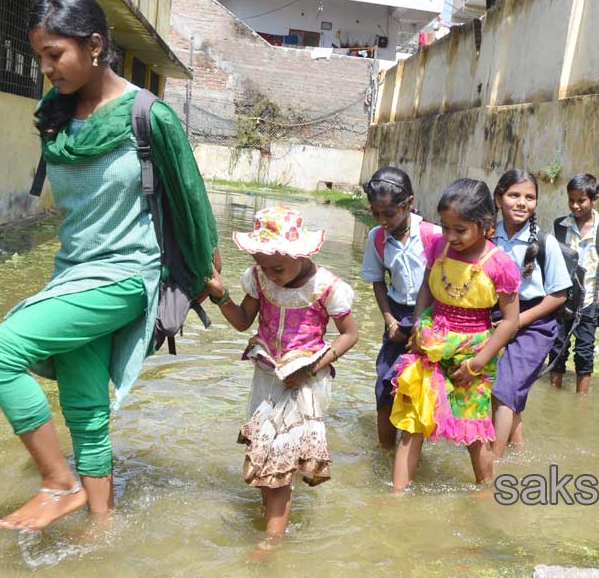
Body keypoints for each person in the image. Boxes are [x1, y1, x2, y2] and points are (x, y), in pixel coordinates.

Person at [0, 0, 217, 531]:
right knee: (86, 412)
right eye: (39, 56)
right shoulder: (55, 116)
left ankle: (59, 483)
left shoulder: (149, 117)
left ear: (95, 46)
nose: (45, 68)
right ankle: (101, 534)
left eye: (54, 55)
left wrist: (202, 277)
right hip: (74, 273)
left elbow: (194, 206)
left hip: (127, 275)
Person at [204, 207, 359, 537]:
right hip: (266, 377)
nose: (270, 275)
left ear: (300, 255)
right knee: (263, 454)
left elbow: (350, 335)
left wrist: (310, 368)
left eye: (277, 268)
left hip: (304, 383)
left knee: (277, 461)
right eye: (262, 266)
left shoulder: (327, 286)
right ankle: (272, 524)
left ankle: (270, 543)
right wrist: (220, 297)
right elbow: (243, 322)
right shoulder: (260, 279)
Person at [390, 179, 520, 493]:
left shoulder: (500, 266)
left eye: (459, 230)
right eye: (445, 227)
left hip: (473, 355)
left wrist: (477, 364)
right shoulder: (437, 247)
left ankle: (486, 495)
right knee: (413, 424)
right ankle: (395, 498)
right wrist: (420, 327)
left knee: (473, 433)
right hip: (430, 347)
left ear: (485, 225)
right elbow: (425, 288)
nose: (450, 236)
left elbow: (510, 321)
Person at [490, 169, 572, 455]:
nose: (522, 202)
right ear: (499, 198)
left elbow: (559, 294)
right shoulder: (488, 238)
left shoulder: (545, 243)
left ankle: (494, 466)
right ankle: (520, 456)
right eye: (514, 195)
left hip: (535, 323)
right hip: (496, 319)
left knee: (502, 391)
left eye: (530, 197)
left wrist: (519, 321)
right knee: (510, 392)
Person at [360, 167, 440, 448]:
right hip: (396, 316)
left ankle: (413, 455)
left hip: (432, 318)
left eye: (389, 214)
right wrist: (389, 320)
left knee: (423, 390)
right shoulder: (377, 238)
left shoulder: (434, 236)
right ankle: (384, 453)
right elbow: (377, 282)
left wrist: (425, 327)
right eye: (375, 213)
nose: (382, 221)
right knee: (384, 385)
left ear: (409, 203)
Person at [547, 173, 599, 394]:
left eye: (581, 200)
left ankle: (581, 400)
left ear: (594, 199)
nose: (575, 205)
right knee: (557, 348)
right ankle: (553, 393)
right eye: (571, 200)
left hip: (590, 300)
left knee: (584, 352)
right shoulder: (560, 226)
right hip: (562, 300)